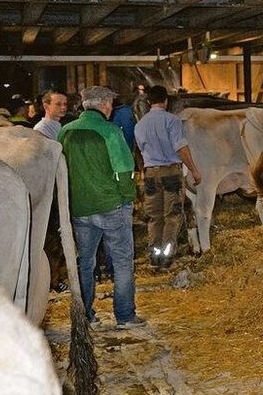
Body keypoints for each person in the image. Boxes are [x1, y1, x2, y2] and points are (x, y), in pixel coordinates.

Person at [58, 86, 142, 329]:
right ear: (104, 104)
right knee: (122, 261)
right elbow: (124, 170)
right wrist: (128, 197)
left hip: (80, 207)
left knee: (85, 262)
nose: (111, 107)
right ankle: (125, 315)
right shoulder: (110, 131)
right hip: (112, 205)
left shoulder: (65, 131)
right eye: (110, 103)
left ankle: (86, 314)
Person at [134, 85, 201, 270]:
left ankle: (154, 256)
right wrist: (194, 170)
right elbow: (180, 148)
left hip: (150, 174)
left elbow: (140, 150)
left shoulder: (140, 125)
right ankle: (167, 256)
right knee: (172, 215)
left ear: (149, 101)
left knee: (154, 216)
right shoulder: (172, 121)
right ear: (166, 100)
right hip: (170, 172)